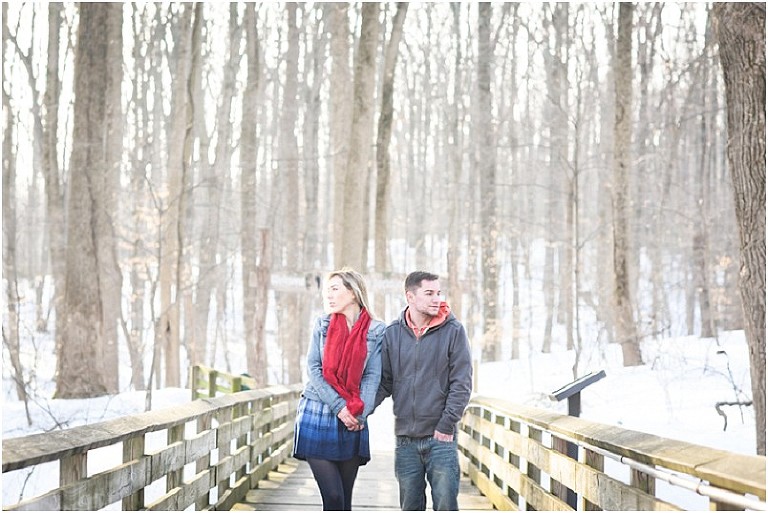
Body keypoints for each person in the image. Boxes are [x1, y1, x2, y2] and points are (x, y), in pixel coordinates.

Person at [374, 271, 473, 511]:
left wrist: (446, 425)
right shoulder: (392, 333)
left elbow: (462, 384)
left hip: (441, 437)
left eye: (438, 293)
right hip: (405, 439)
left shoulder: (454, 331)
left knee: (446, 505)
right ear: (410, 296)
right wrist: (357, 411)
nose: (436, 298)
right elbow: (384, 382)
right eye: (429, 293)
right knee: (410, 506)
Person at [293, 268, 385, 511]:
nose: (328, 296)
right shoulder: (322, 324)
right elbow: (314, 369)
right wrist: (339, 407)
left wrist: (358, 414)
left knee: (344, 501)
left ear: (353, 293)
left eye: (334, 289)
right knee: (332, 497)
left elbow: (372, 376)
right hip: (317, 413)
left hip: (353, 418)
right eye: (326, 291)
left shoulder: (376, 331)